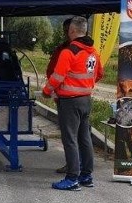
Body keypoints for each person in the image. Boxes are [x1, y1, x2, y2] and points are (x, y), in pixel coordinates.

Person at [41, 16, 103, 191]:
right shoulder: (93, 52)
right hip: (86, 99)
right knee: (84, 138)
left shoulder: (69, 52)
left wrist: (47, 91)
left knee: (70, 139)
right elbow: (99, 74)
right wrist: (84, 85)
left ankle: (72, 178)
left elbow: (57, 77)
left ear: (72, 31)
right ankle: (86, 175)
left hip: (70, 101)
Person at [46, 18, 73, 174]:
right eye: (64, 30)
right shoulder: (62, 49)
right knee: (74, 135)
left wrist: (47, 90)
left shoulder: (70, 51)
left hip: (69, 98)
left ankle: (73, 170)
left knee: (71, 136)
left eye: (67, 30)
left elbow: (56, 74)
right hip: (69, 97)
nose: (65, 33)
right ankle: (80, 169)